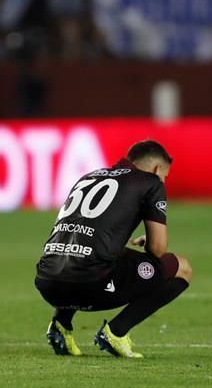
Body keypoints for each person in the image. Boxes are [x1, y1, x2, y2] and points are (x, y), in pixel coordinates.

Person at [34, 140, 192, 358]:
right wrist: (151, 241)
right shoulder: (150, 182)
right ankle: (116, 332)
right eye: (165, 175)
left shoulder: (89, 177)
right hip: (90, 284)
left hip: (47, 281)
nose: (163, 180)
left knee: (90, 251)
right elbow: (157, 249)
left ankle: (60, 324)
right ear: (157, 169)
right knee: (182, 268)